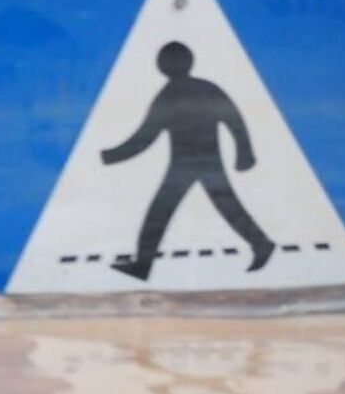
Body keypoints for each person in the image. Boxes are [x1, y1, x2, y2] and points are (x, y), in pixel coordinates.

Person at [102, 41, 276, 281]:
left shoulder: (169, 95)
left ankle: (143, 265)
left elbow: (145, 137)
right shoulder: (202, 89)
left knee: (164, 213)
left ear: (161, 66)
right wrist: (244, 152)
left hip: (190, 164)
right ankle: (261, 243)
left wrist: (109, 156)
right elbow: (234, 120)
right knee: (219, 207)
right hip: (195, 162)